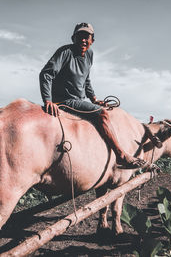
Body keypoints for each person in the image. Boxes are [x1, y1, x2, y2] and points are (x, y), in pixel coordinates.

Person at [39, 22, 158, 168]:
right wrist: (48, 100)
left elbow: (86, 79)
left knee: (109, 111)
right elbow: (46, 74)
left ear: (92, 41)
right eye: (80, 36)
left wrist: (93, 98)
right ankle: (120, 155)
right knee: (102, 114)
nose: (83, 40)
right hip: (65, 101)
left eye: (87, 37)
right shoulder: (65, 52)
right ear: (73, 38)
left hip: (79, 99)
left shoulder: (89, 55)